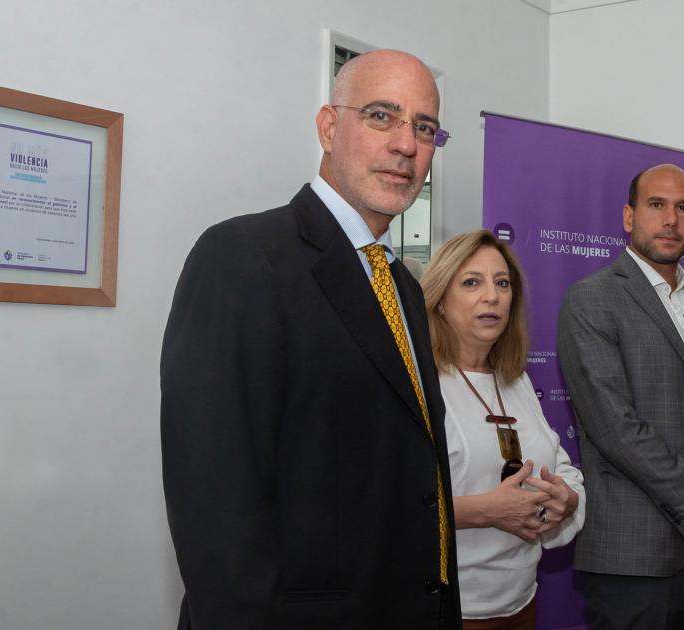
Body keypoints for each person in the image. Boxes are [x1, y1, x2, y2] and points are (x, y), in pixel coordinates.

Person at [160, 50, 461, 629]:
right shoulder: (243, 258)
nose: (406, 145)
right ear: (328, 127)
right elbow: (215, 507)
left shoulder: (401, 283)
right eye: (382, 116)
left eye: (424, 127)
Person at [557, 164, 684, 629]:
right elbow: (616, 428)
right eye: (656, 205)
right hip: (637, 561)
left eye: (683, 208)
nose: (670, 219)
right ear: (629, 217)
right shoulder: (591, 300)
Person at [421, 230, 585, 629]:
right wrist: (486, 512)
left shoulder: (516, 381)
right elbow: (387, 508)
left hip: (521, 606)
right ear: (441, 300)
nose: (491, 296)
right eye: (471, 282)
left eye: (502, 283)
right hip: (448, 611)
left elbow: (564, 471)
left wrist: (568, 502)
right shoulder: (418, 385)